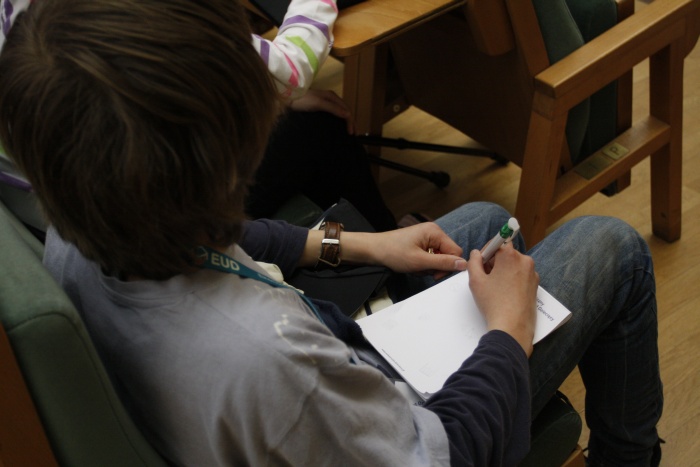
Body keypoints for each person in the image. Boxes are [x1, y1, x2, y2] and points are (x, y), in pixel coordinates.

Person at [0, 0, 663, 466]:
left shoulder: (81, 226)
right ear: (232, 148)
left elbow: (219, 242)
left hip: (304, 387)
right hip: (388, 420)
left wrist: (362, 244)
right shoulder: (272, 363)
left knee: (484, 223)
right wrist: (507, 331)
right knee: (615, 247)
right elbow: (448, 453)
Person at [0, 0, 398, 232]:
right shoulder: (132, 18)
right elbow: (290, 71)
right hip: (146, 215)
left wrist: (274, 92)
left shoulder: (30, 31)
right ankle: (387, 250)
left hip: (57, 214)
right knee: (320, 130)